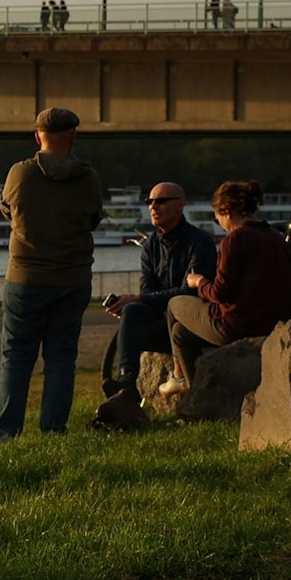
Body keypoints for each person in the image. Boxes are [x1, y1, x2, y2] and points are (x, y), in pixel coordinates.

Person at [0, 107, 104, 441]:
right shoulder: (87, 177)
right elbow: (93, 220)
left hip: (25, 277)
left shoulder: (20, 173)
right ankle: (54, 430)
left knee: (16, 356)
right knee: (61, 358)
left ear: (36, 137)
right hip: (72, 279)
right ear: (72, 136)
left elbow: (7, 209)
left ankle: (7, 433)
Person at [162, 181, 291, 397]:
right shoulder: (276, 237)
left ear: (226, 211)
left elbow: (220, 293)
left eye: (217, 216)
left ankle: (178, 376)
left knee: (174, 305)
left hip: (238, 325)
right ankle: (195, 392)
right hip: (275, 323)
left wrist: (199, 282)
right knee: (180, 333)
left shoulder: (235, 239)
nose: (218, 222)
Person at [96, 183, 216, 427]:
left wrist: (142, 299)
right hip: (162, 322)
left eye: (160, 201)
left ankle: (126, 393)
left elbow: (191, 292)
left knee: (135, 308)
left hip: (189, 326)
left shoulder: (199, 241)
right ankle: (127, 382)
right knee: (131, 311)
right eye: (149, 201)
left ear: (180, 205)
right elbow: (148, 292)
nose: (153, 206)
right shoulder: (150, 245)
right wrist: (137, 302)